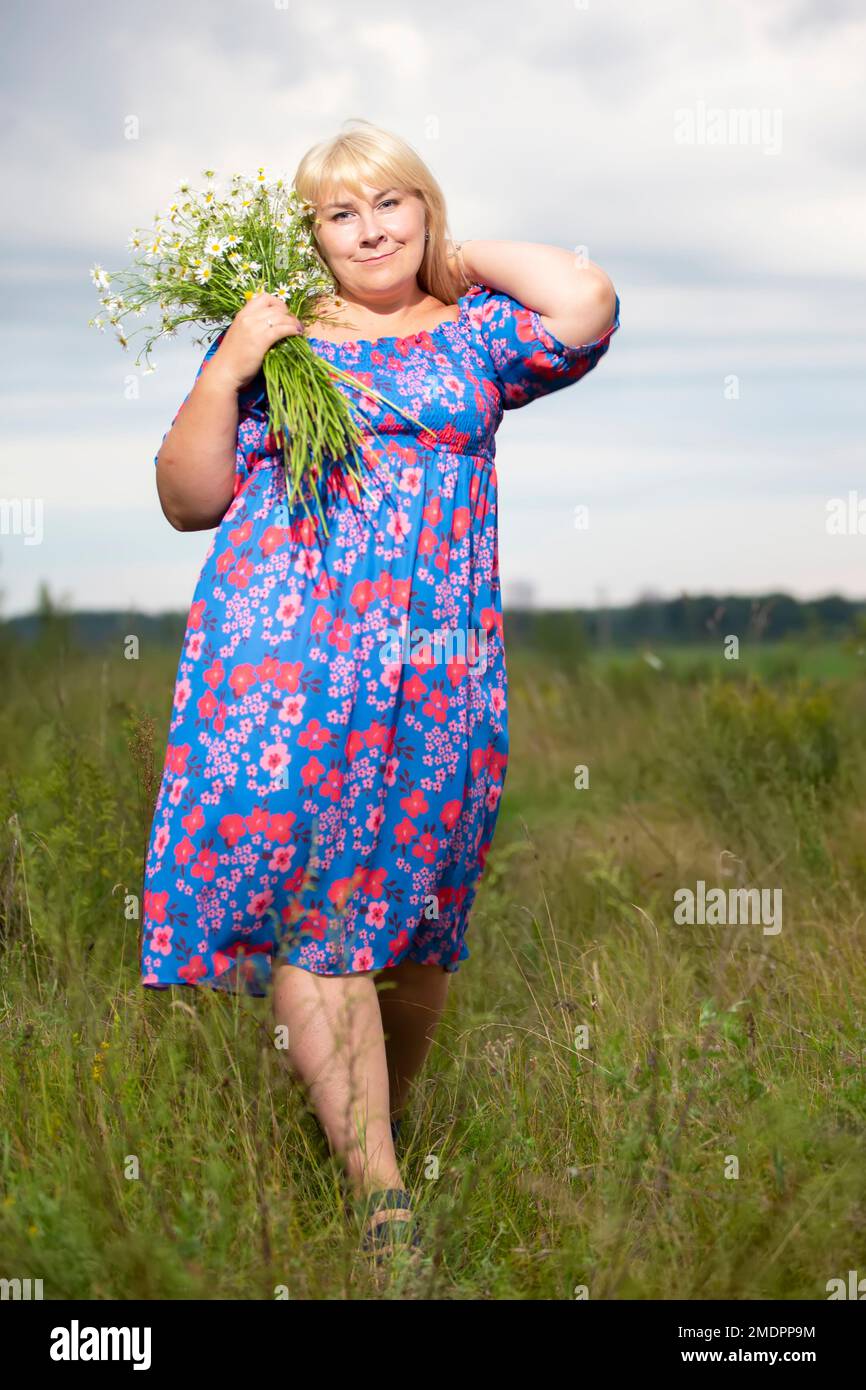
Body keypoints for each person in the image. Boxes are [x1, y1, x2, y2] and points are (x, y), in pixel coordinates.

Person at [142, 118, 620, 1261]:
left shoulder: (478, 336)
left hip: (439, 669)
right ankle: (382, 1204)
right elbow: (186, 497)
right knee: (319, 915)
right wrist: (230, 362)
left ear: (423, 207)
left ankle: (368, 1135)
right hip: (282, 661)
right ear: (308, 235)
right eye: (339, 213)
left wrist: (456, 261)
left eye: (389, 203)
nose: (368, 229)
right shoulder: (283, 341)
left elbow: (586, 300)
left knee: (411, 920)